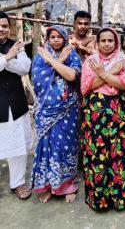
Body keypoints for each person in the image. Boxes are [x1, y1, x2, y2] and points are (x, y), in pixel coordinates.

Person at [81, 27, 125, 210]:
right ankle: (100, 200)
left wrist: (103, 74)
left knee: (119, 152)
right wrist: (111, 72)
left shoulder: (122, 60)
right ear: (97, 43)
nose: (106, 44)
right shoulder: (90, 61)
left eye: (110, 41)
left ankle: (121, 199)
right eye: (103, 41)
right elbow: (87, 87)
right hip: (95, 114)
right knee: (97, 153)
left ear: (116, 42)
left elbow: (124, 84)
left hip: (118, 112)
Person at [31, 25, 81, 203]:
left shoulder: (72, 55)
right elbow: (37, 81)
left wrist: (53, 60)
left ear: (65, 38)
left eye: (60, 36)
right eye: (52, 37)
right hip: (46, 111)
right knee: (47, 148)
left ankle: (67, 185)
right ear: (48, 38)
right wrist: (60, 60)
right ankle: (48, 186)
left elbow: (71, 76)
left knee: (65, 146)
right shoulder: (39, 58)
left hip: (68, 109)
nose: (56, 40)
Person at [0, 11, 32, 200]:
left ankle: (17, 183)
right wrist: (8, 58)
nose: (1, 29)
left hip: (14, 102)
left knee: (17, 144)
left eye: (4, 25)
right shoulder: (14, 50)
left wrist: (6, 58)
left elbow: (24, 68)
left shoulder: (16, 46)